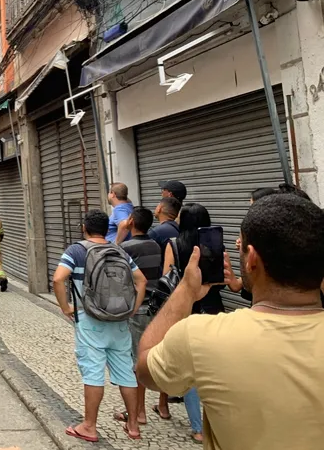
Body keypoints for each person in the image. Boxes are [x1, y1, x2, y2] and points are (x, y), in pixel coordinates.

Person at [138, 193, 324, 450]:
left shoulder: (201, 336)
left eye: (240, 246)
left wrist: (186, 292)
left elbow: (145, 370)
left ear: (252, 259)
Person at [52, 209, 147, 443]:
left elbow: (58, 278)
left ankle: (89, 426)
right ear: (107, 229)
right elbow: (141, 280)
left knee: (93, 373)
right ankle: (133, 425)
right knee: (126, 372)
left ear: (84, 228)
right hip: (119, 320)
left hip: (90, 320)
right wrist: (132, 309)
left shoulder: (76, 251)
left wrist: (66, 307)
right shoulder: (120, 251)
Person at [157, 203, 223, 442]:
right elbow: (222, 280)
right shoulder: (215, 245)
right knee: (214, 369)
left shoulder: (173, 245)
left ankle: (198, 429)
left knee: (192, 372)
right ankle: (217, 423)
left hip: (187, 312)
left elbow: (167, 281)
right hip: (214, 310)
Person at [114, 206, 162, 428]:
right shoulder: (156, 245)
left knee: (136, 361)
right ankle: (163, 406)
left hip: (137, 308)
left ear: (131, 221)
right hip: (157, 308)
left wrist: (120, 235)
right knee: (158, 357)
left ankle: (138, 413)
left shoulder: (125, 247)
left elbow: (112, 265)